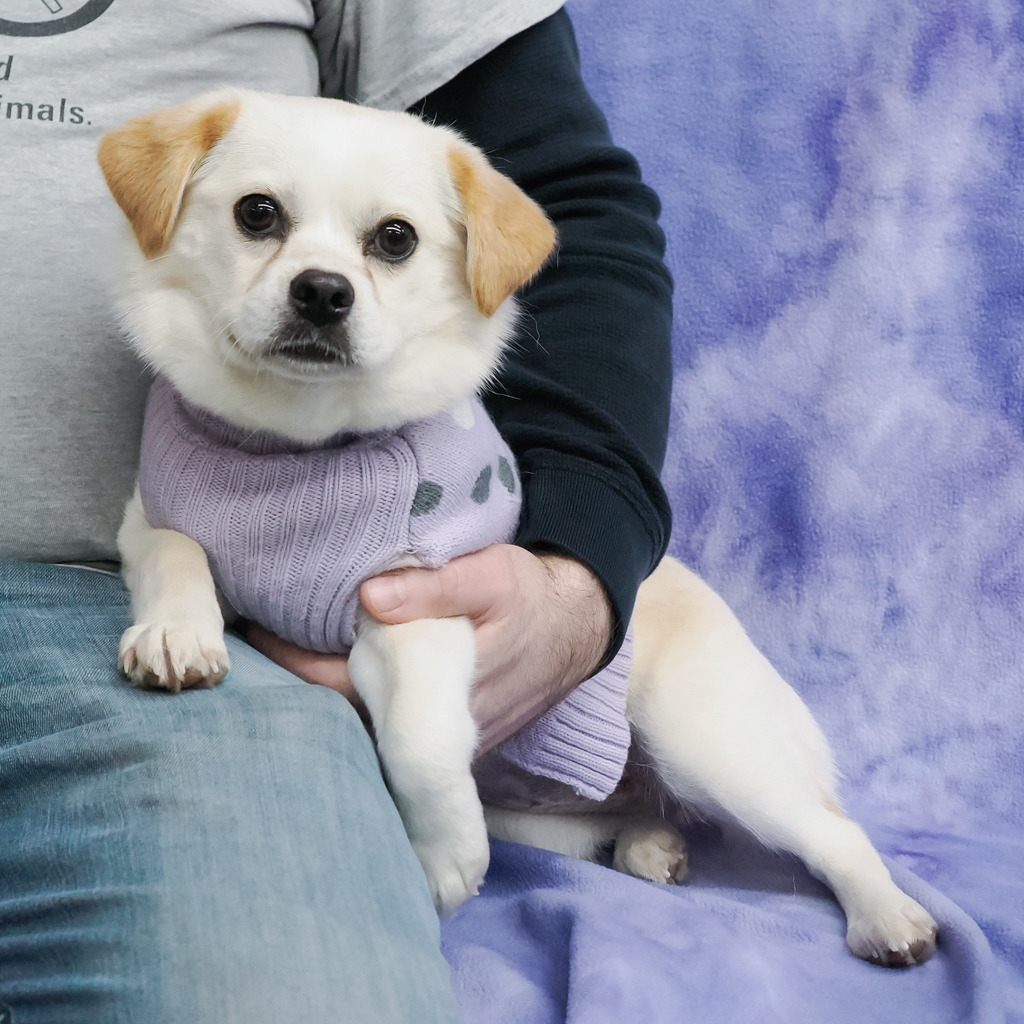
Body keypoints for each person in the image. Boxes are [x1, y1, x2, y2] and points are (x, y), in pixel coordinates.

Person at [0, 2, 672, 1020]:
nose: (319, 277)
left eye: (389, 240)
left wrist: (575, 570)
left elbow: (567, 206)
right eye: (260, 217)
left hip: (193, 648)